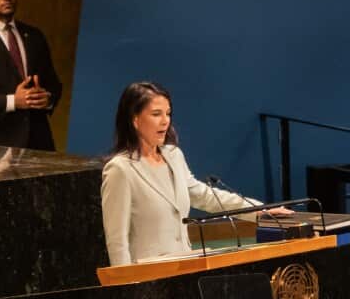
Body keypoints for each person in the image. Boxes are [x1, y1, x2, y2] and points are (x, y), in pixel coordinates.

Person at [101, 81, 285, 266]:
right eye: (156, 114)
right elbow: (117, 241)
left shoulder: (174, 156)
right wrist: (125, 288)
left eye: (168, 113)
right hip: (147, 279)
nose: (165, 121)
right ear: (135, 120)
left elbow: (207, 197)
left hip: (184, 269)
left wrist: (261, 212)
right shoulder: (121, 169)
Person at [0, 0, 63, 150]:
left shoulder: (34, 35)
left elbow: (54, 84)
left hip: (39, 145)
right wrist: (13, 101)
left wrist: (47, 99)